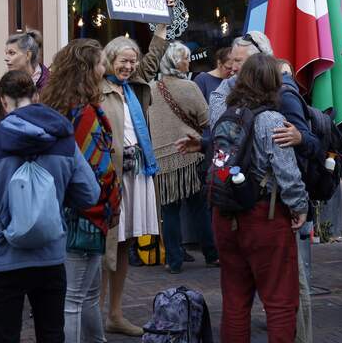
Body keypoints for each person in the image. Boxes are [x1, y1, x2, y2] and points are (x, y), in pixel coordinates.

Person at [0, 70, 100, 342]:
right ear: (36, 97)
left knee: (5, 336)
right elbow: (89, 194)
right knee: (51, 334)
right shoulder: (64, 142)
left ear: (3, 101)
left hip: (5, 257)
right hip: (50, 254)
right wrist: (57, 198)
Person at [203, 32, 320, 342]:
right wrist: (300, 207)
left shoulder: (223, 113)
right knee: (280, 301)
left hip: (225, 214)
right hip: (264, 217)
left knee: (235, 301)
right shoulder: (271, 120)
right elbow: (287, 174)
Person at [39, 39, 122, 343]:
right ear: (87, 69)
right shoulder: (84, 113)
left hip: (67, 209)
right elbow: (96, 169)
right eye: (100, 63)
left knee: (85, 295)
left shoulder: (56, 106)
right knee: (75, 298)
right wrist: (110, 205)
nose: (105, 67)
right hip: (85, 214)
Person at [100, 25, 168, 337]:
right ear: (109, 60)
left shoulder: (134, 86)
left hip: (137, 171)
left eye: (132, 61)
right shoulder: (97, 88)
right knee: (106, 245)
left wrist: (161, 30)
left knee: (125, 242)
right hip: (111, 175)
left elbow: (152, 61)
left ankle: (115, 314)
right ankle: (94, 314)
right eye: (122, 61)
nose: (128, 66)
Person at [149, 42, 219, 274]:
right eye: (185, 58)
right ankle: (211, 254)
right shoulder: (189, 87)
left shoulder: (150, 88)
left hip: (162, 158)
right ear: (175, 62)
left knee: (169, 211)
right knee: (199, 208)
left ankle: (174, 260)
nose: (189, 62)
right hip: (190, 156)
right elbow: (207, 120)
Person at [0, 30, 49, 132]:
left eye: (12, 53)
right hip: (10, 139)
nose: (6, 58)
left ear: (28, 55)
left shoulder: (50, 83)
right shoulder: (5, 83)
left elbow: (54, 120)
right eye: (6, 53)